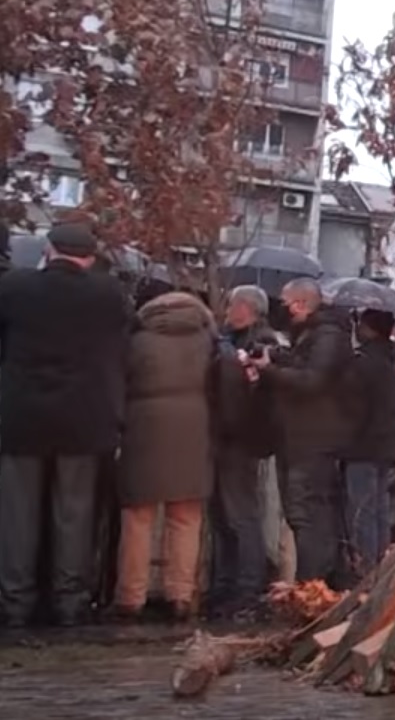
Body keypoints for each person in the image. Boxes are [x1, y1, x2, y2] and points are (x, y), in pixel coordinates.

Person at [0, 221, 133, 626]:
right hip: (85, 419)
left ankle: (14, 603)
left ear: (48, 250)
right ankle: (69, 602)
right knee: (74, 515)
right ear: (90, 257)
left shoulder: (13, 288)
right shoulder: (110, 295)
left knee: (16, 516)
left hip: (19, 418)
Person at [114, 293, 238, 622]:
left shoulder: (136, 340)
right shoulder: (207, 341)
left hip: (144, 427)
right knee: (186, 518)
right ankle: (181, 595)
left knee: (137, 519)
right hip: (194, 428)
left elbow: (119, 382)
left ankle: (131, 597)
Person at [251, 277, 351, 587]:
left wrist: (270, 372)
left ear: (301, 303)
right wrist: (277, 358)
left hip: (313, 439)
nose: (283, 309)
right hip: (297, 437)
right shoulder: (311, 335)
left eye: (286, 302)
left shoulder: (329, 336)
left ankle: (314, 585)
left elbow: (312, 381)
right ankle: (314, 582)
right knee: (299, 513)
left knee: (308, 513)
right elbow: (302, 366)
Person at [208, 284, 280, 617]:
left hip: (241, 439)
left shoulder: (260, 344)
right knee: (221, 515)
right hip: (224, 436)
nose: (226, 310)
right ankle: (224, 583)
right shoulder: (227, 340)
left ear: (247, 308)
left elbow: (255, 393)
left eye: (232, 304)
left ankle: (247, 586)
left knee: (240, 515)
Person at [341, 309, 395, 581]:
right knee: (380, 508)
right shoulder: (393, 362)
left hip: (363, 446)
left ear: (369, 329)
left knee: (362, 510)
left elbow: (351, 405)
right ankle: (381, 566)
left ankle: (366, 570)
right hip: (387, 445)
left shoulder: (363, 363)